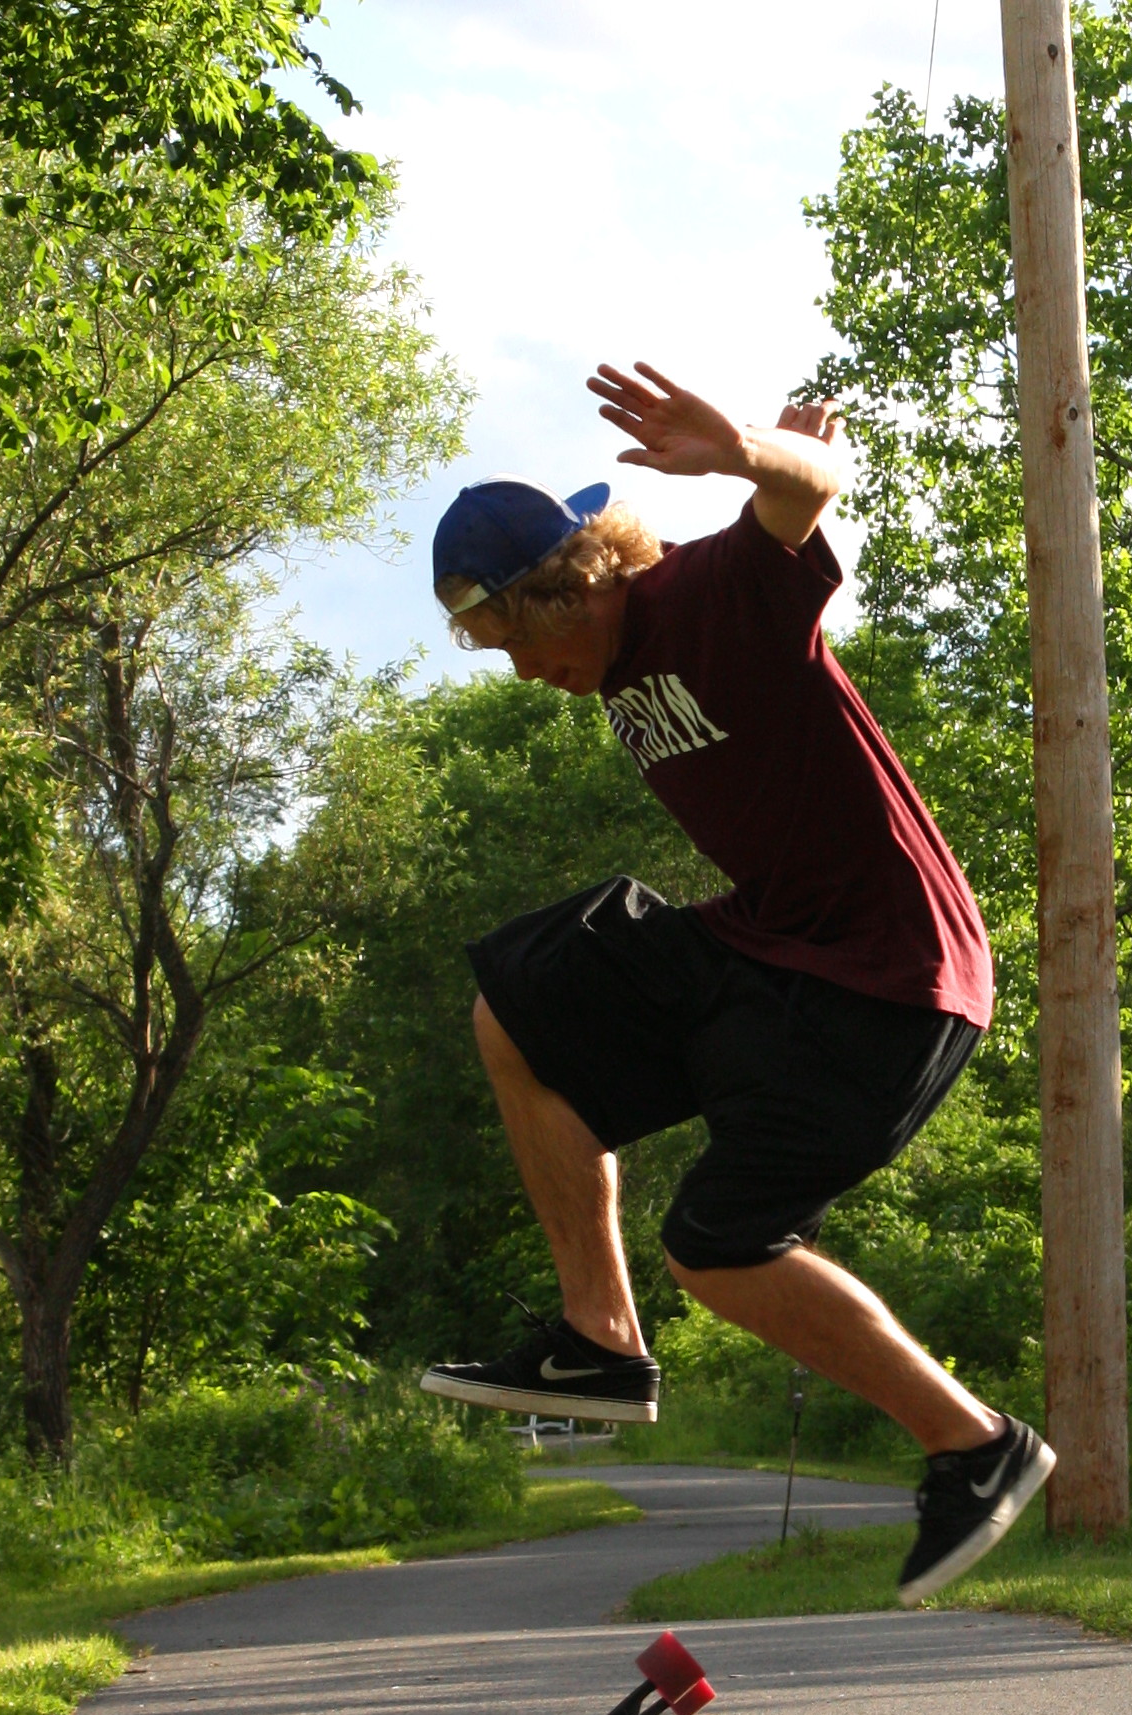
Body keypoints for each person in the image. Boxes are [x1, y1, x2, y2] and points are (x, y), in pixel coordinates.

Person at [419, 360, 1054, 1604]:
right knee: (519, 1003)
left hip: (889, 981)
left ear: (577, 580)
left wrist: (751, 450)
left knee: (716, 1244)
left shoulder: (709, 593)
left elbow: (812, 490)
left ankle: (974, 1445)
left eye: (518, 637)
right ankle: (596, 1341)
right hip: (778, 955)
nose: (518, 671)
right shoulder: (611, 671)